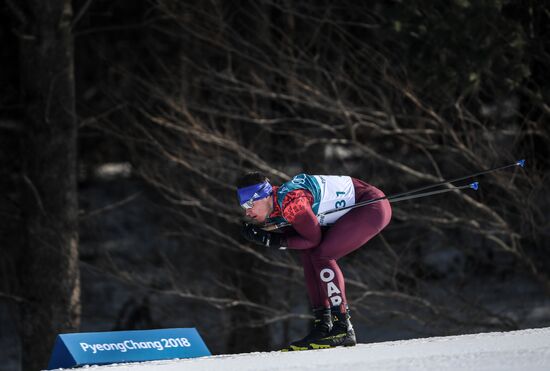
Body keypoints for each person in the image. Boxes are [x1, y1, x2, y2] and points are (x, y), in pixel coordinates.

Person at [236, 172, 392, 351]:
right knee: (309, 254)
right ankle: (323, 326)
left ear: (264, 196)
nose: (247, 211)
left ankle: (343, 327)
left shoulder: (292, 201)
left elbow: (312, 239)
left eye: (249, 204)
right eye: (243, 206)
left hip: (371, 206)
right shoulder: (276, 206)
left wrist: (270, 240)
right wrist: (267, 236)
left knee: (322, 254)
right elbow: (301, 240)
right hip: (354, 208)